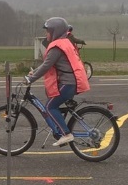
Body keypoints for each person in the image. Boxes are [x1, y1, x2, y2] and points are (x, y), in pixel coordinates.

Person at [25, 17, 90, 146]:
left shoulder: (57, 47)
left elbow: (46, 66)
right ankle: (61, 130)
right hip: (71, 82)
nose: (46, 34)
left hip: (68, 83)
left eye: (48, 31)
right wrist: (34, 72)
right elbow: (48, 63)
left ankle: (66, 134)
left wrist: (30, 79)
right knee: (53, 105)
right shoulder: (64, 42)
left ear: (55, 31)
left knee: (50, 107)